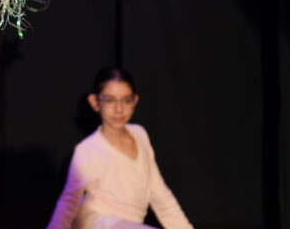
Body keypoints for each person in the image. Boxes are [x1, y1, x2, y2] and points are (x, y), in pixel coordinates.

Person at [46, 66, 193, 229]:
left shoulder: (140, 134)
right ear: (95, 102)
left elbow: (160, 195)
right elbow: (68, 205)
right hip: (99, 222)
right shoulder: (88, 150)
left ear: (135, 101)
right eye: (109, 100)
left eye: (126, 100)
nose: (119, 109)